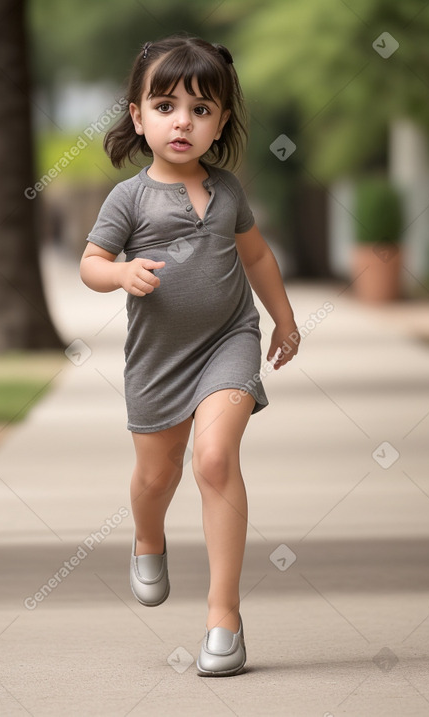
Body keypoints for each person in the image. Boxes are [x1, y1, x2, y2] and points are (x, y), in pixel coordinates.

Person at [80, 35, 300, 677]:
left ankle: (223, 620)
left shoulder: (228, 190)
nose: (184, 121)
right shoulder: (129, 199)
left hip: (230, 340)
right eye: (167, 106)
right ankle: (149, 538)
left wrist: (282, 320)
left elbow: (256, 256)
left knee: (213, 459)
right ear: (137, 114)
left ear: (222, 121)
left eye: (202, 109)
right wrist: (120, 275)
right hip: (158, 359)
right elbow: (91, 264)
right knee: (156, 477)